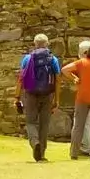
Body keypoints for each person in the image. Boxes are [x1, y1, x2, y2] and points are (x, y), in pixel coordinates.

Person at [17, 33, 61, 162]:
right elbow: (58, 80)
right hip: (47, 94)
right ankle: (41, 154)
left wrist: (16, 96)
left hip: (30, 94)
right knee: (44, 124)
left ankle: (35, 142)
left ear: (35, 44)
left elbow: (21, 79)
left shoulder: (27, 58)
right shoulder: (53, 59)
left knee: (31, 122)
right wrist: (57, 99)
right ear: (47, 44)